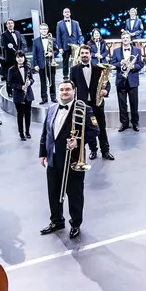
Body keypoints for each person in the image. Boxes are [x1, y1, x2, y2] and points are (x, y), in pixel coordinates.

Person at [39, 80, 94, 238]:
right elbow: (46, 133)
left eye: (68, 90)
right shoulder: (52, 108)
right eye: (62, 90)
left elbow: (94, 130)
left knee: (74, 194)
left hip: (73, 160)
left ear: (74, 91)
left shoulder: (84, 109)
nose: (64, 92)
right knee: (53, 192)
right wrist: (43, 153)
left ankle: (75, 223)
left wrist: (78, 141)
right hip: (53, 159)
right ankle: (56, 221)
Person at [71, 45, 114, 161]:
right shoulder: (74, 70)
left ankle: (105, 150)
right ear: (80, 55)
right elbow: (72, 87)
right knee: (88, 129)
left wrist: (106, 90)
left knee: (101, 127)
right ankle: (93, 150)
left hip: (97, 104)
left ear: (90, 55)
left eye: (86, 53)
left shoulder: (98, 68)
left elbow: (107, 83)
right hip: (83, 105)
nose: (84, 55)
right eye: (82, 53)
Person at [111, 38, 143, 131]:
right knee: (122, 104)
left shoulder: (137, 50)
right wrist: (120, 63)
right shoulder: (116, 51)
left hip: (133, 80)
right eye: (123, 38)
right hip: (121, 80)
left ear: (130, 39)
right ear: (121, 39)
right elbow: (113, 63)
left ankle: (135, 123)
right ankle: (124, 123)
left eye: (127, 38)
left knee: (134, 103)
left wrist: (133, 66)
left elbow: (140, 64)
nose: (125, 39)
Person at [7, 50, 37, 140]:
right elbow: (9, 83)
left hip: (28, 94)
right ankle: (21, 133)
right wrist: (20, 87)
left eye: (22, 57)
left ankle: (27, 131)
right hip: (18, 95)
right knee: (20, 114)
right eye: (18, 57)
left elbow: (32, 79)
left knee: (28, 114)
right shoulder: (11, 69)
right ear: (15, 58)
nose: (20, 59)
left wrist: (29, 82)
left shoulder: (28, 67)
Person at [54, 8, 83, 78]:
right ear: (63, 13)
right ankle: (65, 75)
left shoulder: (76, 23)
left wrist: (81, 43)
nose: (67, 13)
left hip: (75, 46)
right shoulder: (59, 24)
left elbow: (80, 34)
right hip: (65, 46)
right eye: (65, 12)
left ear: (70, 13)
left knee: (75, 61)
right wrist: (60, 47)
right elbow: (58, 36)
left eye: (68, 12)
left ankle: (75, 74)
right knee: (65, 61)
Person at [33, 22, 57, 104]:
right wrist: (35, 64)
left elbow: (56, 50)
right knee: (43, 82)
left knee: (52, 81)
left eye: (45, 29)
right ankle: (44, 98)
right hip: (41, 64)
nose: (44, 31)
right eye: (42, 29)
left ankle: (53, 97)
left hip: (51, 63)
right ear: (40, 30)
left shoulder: (52, 39)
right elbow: (34, 54)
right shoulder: (35, 41)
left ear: (47, 30)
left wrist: (52, 53)